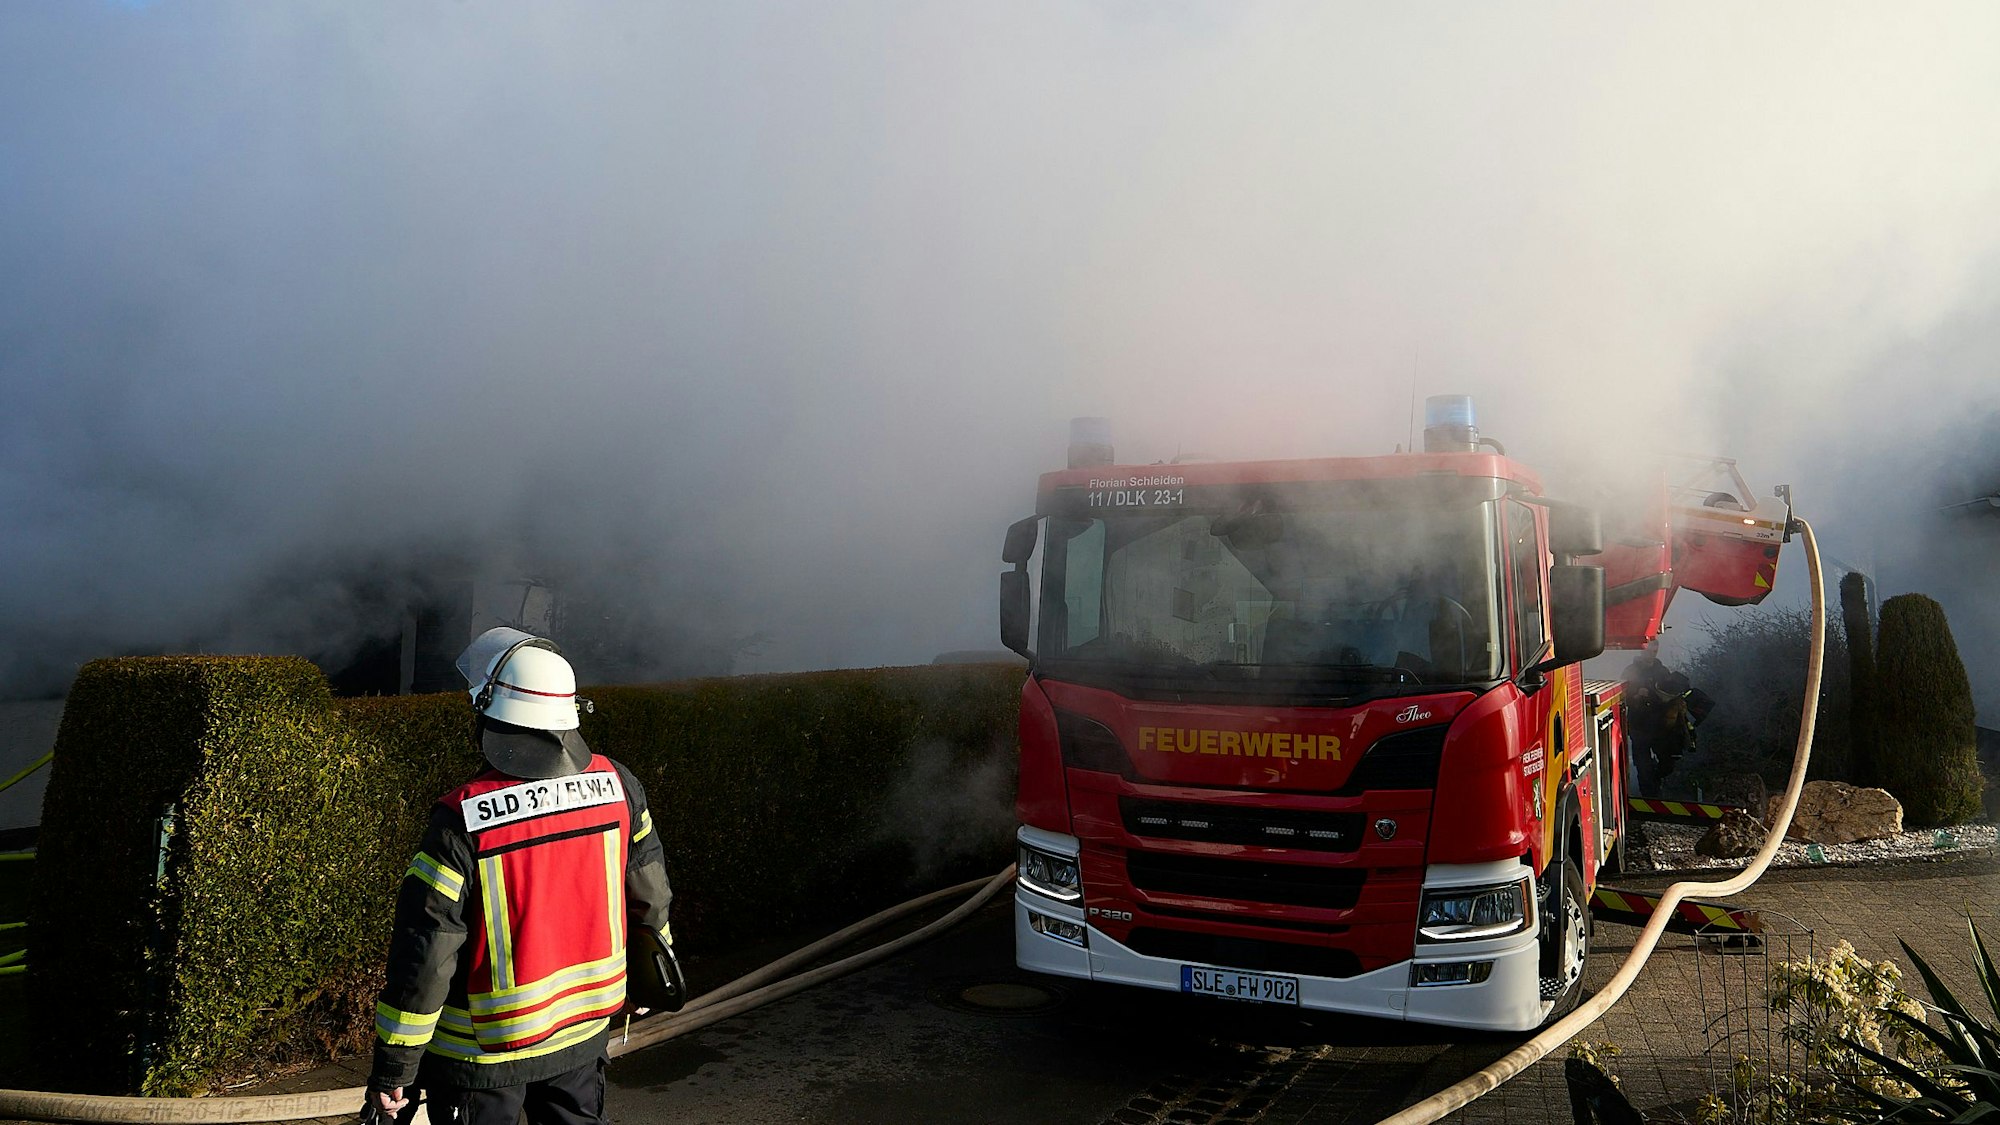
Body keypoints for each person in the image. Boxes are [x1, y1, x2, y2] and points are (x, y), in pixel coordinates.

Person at [362, 628, 674, 1125]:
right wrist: (648, 980)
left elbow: (427, 952)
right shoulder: (619, 787)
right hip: (582, 1033)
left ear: (492, 715)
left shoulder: (462, 820)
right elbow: (651, 898)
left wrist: (395, 1069)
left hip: (483, 1057)